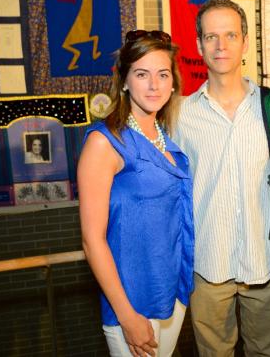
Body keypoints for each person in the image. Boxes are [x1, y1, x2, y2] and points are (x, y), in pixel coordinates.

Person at [174, 0, 270, 356]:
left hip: (266, 263)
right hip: (208, 266)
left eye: (230, 35)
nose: (221, 46)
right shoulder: (180, 115)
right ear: (198, 45)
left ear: (244, 41)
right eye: (211, 37)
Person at [77, 30, 194, 357]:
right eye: (142, 74)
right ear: (125, 80)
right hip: (132, 302)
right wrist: (127, 316)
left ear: (173, 83)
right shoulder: (105, 142)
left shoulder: (165, 139)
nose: (154, 85)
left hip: (171, 294)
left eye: (163, 74)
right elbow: (92, 239)